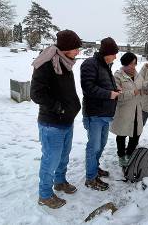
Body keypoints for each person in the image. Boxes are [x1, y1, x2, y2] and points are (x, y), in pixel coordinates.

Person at [30, 29, 82, 209]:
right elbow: (36, 94)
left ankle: (60, 182)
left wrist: (71, 108)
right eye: (76, 48)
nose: (78, 52)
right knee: (50, 160)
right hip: (52, 123)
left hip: (66, 121)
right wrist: (59, 107)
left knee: (63, 157)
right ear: (66, 48)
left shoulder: (65, 63)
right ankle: (44, 195)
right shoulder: (46, 64)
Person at [80, 37, 120, 191]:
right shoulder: (90, 64)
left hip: (105, 114)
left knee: (101, 145)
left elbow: (104, 85)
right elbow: (88, 88)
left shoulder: (105, 66)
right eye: (114, 54)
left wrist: (115, 91)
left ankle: (95, 169)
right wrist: (109, 94)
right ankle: (90, 178)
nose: (116, 57)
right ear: (106, 53)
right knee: (93, 146)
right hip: (95, 114)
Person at [110, 52, 144, 167]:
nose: (133, 67)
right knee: (122, 135)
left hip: (136, 110)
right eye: (131, 64)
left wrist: (146, 87)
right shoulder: (117, 76)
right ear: (124, 64)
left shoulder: (137, 74)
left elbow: (142, 84)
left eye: (135, 64)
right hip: (124, 111)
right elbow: (118, 95)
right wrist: (133, 92)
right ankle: (121, 156)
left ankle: (130, 153)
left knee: (136, 134)